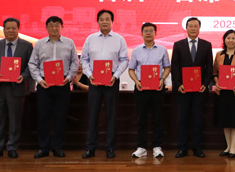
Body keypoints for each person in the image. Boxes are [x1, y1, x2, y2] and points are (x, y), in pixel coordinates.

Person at [81, 9, 129, 159]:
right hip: (94, 81)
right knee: (93, 115)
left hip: (111, 81)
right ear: (98, 21)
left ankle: (110, 148)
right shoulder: (90, 39)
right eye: (101, 19)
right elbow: (84, 59)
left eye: (107, 19)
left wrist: (115, 75)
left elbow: (125, 60)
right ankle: (90, 148)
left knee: (111, 115)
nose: (104, 22)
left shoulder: (119, 39)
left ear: (112, 21)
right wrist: (89, 75)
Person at [28, 16, 79, 159]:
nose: (54, 28)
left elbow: (75, 63)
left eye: (57, 25)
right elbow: (32, 63)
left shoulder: (69, 43)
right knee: (43, 117)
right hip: (44, 84)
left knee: (60, 117)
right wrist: (39, 80)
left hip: (63, 83)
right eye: (51, 25)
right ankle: (43, 148)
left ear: (62, 27)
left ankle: (57, 147)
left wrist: (68, 78)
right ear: (46, 28)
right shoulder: (39, 44)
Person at [0, 18, 34, 159]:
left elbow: (31, 64)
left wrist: (23, 76)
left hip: (17, 87)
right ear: (3, 30)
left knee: (15, 119)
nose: (11, 30)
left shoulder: (27, 46)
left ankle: (12, 147)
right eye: (8, 28)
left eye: (13, 28)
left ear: (18, 29)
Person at [171, 17, 214, 158]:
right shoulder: (178, 45)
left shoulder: (206, 45)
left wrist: (205, 84)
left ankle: (197, 148)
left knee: (198, 120)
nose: (193, 28)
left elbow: (209, 67)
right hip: (183, 90)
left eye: (196, 26)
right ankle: (182, 148)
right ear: (186, 28)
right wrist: (178, 85)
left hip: (199, 90)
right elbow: (175, 67)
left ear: (199, 28)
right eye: (191, 26)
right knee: (182, 120)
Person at [128, 22, 171, 159]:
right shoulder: (136, 50)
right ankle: (141, 147)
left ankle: (157, 147)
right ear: (141, 34)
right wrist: (136, 82)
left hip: (157, 87)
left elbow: (167, 67)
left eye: (151, 31)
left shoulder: (162, 50)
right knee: (141, 118)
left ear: (155, 33)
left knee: (157, 118)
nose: (148, 33)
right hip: (141, 87)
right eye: (145, 31)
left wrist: (162, 79)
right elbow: (131, 69)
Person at [212, 29, 235, 158]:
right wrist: (216, 82)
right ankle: (228, 147)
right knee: (225, 121)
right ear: (224, 40)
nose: (231, 40)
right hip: (222, 93)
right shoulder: (219, 54)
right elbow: (214, 72)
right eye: (228, 38)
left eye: (233, 38)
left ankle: (233, 148)